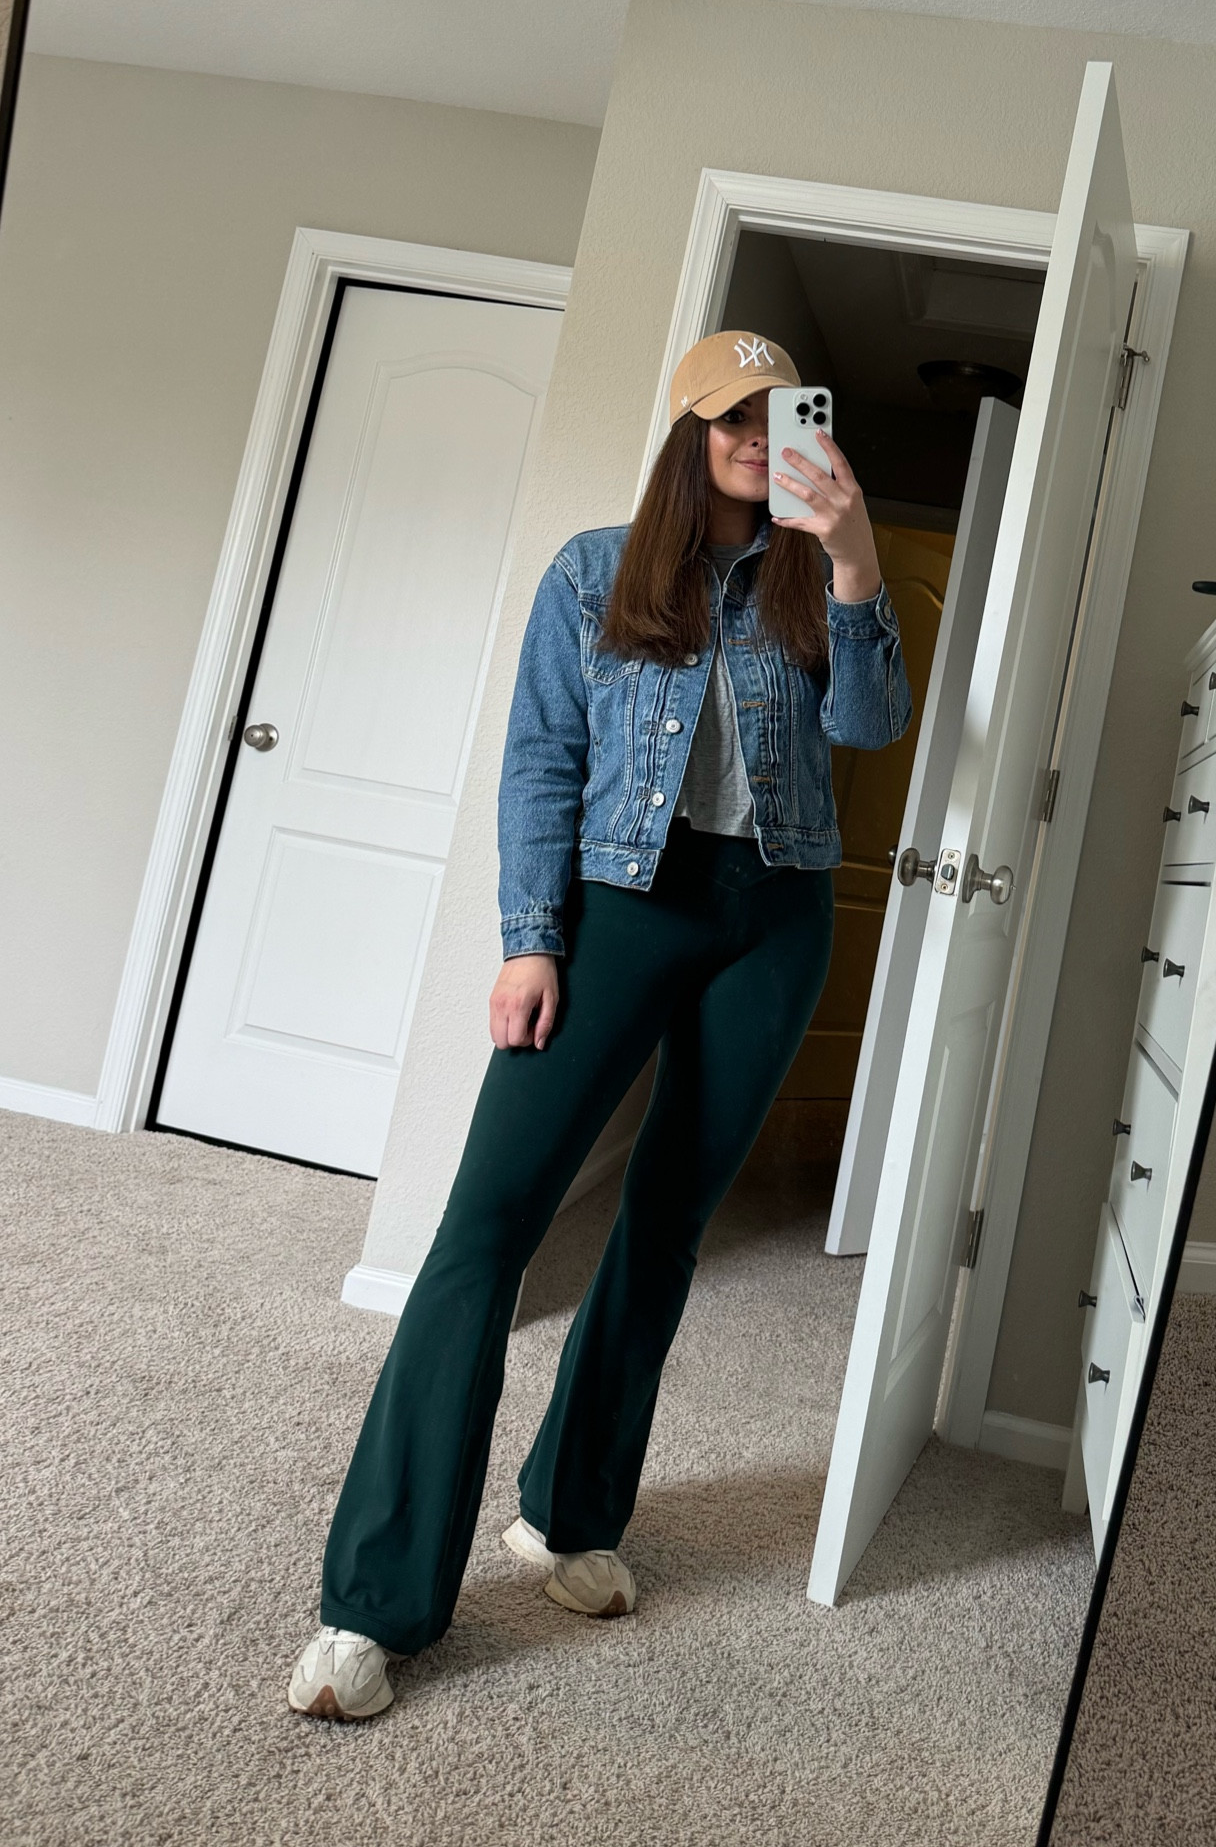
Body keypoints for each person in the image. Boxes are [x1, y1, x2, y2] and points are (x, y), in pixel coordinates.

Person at [287, 329, 912, 1719]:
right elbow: (542, 763)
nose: (756, 433)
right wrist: (529, 939)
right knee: (487, 1227)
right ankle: (373, 1602)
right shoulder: (595, 569)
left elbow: (873, 725)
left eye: (778, 411)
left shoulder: (819, 574)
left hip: (775, 916)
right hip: (624, 900)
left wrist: (856, 549)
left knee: (668, 1220)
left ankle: (569, 1517)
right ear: (688, 431)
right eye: (729, 414)